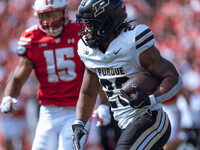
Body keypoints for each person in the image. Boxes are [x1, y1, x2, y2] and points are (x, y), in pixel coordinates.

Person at [71, 0, 183, 150]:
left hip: (150, 118)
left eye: (92, 24)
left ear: (108, 22)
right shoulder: (89, 51)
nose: (87, 31)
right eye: (86, 24)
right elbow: (88, 92)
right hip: (124, 123)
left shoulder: (132, 42)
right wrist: (79, 123)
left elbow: (174, 78)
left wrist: (151, 98)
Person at [0, 0, 111, 149]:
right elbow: (19, 76)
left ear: (65, 12)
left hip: (77, 109)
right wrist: (9, 96)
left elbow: (97, 70)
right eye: (46, 15)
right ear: (38, 16)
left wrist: (103, 104)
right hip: (48, 111)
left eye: (55, 13)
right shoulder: (32, 37)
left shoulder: (81, 31)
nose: (51, 20)